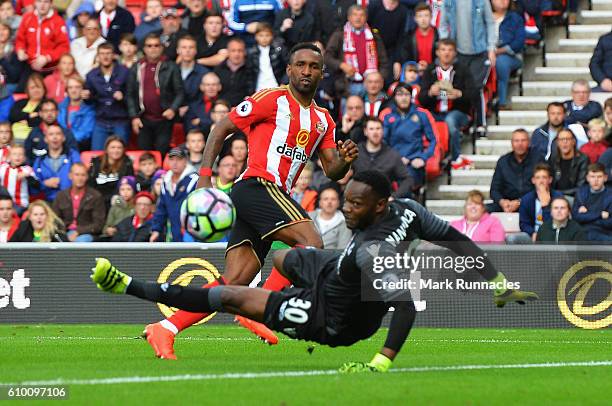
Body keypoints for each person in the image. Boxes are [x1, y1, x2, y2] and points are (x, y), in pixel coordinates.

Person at [93, 170, 538, 367]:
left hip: (332, 316)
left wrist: (381, 363)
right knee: (286, 253)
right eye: (346, 200)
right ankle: (264, 302)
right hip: (334, 269)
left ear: (379, 206)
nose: (345, 209)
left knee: (230, 295)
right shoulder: (409, 210)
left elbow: (404, 307)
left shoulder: (375, 251)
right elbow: (456, 241)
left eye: (354, 204)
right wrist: (498, 282)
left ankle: (133, 288)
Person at [141, 43, 359, 360]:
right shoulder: (271, 99)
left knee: (233, 282)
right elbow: (220, 129)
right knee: (311, 243)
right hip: (256, 185)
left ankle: (165, 328)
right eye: (300, 64)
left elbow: (332, 169)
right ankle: (261, 306)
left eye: (313, 66)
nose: (306, 71)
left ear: (322, 73)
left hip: (273, 197)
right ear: (289, 69)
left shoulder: (323, 119)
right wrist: (204, 180)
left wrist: (345, 161)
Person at [440, 0, 496, 134]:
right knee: (460, 88)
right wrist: (446, 44)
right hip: (458, 53)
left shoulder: (482, 1)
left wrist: (491, 48)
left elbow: (490, 23)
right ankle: (466, 120)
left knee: (477, 86)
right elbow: (443, 24)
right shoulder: (448, 2)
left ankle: (480, 123)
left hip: (479, 52)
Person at [417, 39, 475, 167]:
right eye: (443, 50)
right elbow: (422, 98)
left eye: (450, 50)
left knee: (450, 121)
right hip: (435, 112)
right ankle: (429, 158)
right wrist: (431, 93)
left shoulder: (463, 70)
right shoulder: (430, 71)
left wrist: (460, 95)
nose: (446, 53)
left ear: (455, 53)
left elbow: (473, 95)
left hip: (458, 112)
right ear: (437, 52)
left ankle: (455, 157)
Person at [127, 32, 184, 157]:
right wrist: (134, 117)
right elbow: (130, 94)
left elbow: (180, 92)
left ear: (162, 48)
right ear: (144, 49)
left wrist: (172, 109)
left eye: (156, 45)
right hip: (143, 119)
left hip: (164, 119)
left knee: (161, 153)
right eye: (149, 46)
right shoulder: (137, 67)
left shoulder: (171, 67)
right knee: (145, 154)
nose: (153, 49)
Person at [325, 5, 391, 96]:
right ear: (349, 17)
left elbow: (384, 61)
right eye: (355, 15)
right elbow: (327, 57)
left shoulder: (374, 36)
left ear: (366, 18)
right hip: (347, 85)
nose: (358, 18)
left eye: (361, 15)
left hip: (371, 86)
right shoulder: (339, 35)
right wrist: (341, 65)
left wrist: (379, 78)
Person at [383, 83, 436, 187]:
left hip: (414, 163)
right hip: (394, 162)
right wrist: (396, 158)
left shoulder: (421, 115)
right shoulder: (388, 117)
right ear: (394, 97)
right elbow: (384, 142)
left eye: (407, 94)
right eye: (400, 94)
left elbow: (432, 141)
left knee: (407, 179)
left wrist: (422, 158)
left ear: (411, 97)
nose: (403, 98)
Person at [353, 116, 414, 198]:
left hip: (383, 201)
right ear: (365, 132)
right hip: (358, 198)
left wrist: (394, 196)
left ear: (383, 131)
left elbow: (408, 179)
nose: (375, 132)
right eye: (371, 129)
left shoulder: (392, 154)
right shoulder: (355, 152)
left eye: (378, 128)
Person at [84, 42, 131, 150]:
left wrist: (123, 97)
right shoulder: (91, 75)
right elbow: (90, 101)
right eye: (102, 54)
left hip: (120, 120)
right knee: (96, 155)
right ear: (98, 56)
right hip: (101, 120)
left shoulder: (125, 72)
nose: (105, 56)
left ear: (114, 55)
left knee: (120, 153)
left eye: (108, 53)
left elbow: (133, 97)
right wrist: (86, 96)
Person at [489, 129, 545, 212]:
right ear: (511, 143)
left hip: (531, 203)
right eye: (516, 141)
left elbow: (543, 186)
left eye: (523, 140)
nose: (520, 144)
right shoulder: (503, 161)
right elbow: (494, 190)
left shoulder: (538, 159)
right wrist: (502, 202)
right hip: (507, 204)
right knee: (483, 209)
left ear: (529, 142)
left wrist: (520, 202)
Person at [150, 147, 198, 242]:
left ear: (185, 161)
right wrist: (156, 229)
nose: (175, 163)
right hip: (175, 232)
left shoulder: (194, 180)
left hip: (193, 232)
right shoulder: (165, 181)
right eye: (171, 159)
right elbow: (161, 209)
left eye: (179, 159)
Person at [510, 163, 563, 244]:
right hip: (533, 234)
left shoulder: (558, 197)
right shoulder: (526, 199)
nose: (541, 181)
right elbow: (523, 223)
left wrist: (545, 205)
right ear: (533, 180)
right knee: (512, 238)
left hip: (553, 233)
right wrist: (533, 233)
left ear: (550, 180)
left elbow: (558, 221)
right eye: (538, 178)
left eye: (544, 177)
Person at [52, 163, 106, 242]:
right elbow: (54, 219)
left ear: (87, 177)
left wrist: (78, 231)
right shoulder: (61, 195)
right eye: (77, 175)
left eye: (83, 175)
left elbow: (98, 224)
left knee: (81, 241)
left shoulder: (95, 196)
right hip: (64, 232)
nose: (80, 178)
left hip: (87, 233)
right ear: (70, 176)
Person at [14, 0, 69, 73]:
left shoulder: (58, 21)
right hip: (29, 66)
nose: (42, 5)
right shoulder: (27, 18)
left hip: (51, 68)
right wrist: (20, 50)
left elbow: (64, 47)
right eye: (39, 1)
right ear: (35, 2)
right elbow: (20, 39)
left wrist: (47, 58)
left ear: (51, 4)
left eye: (46, 2)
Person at [32, 124, 81, 202]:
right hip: (47, 202)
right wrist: (44, 184)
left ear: (63, 138)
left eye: (58, 134)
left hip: (70, 201)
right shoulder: (39, 161)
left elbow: (80, 177)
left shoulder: (73, 156)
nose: (55, 137)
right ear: (46, 139)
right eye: (51, 134)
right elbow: (33, 188)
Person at [491, 0, 524, 110]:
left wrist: (500, 51)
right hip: (486, 53)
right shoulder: (483, 17)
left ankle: (502, 102)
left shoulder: (516, 18)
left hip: (510, 55)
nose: (503, 1)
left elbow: (519, 42)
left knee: (501, 62)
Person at [24, 98, 78, 164]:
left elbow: (74, 155)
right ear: (40, 113)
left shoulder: (66, 133)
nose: (49, 113)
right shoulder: (34, 132)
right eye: (46, 111)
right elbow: (26, 154)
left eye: (52, 110)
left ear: (57, 112)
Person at [88, 136, 134, 209]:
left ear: (123, 150)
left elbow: (128, 184)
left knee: (118, 203)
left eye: (119, 148)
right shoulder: (95, 162)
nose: (116, 150)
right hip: (97, 198)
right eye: (113, 147)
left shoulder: (127, 163)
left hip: (117, 199)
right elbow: (90, 182)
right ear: (106, 149)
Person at [396, 3, 438, 78]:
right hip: (414, 73)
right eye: (420, 16)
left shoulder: (438, 35)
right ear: (415, 18)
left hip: (434, 73)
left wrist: (428, 67)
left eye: (426, 15)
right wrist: (416, 66)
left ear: (431, 17)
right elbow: (405, 56)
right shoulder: (409, 36)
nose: (423, 19)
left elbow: (441, 58)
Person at [571, 163, 612, 242]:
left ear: (605, 178)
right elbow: (576, 217)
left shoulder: (611, 194)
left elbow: (610, 222)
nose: (596, 180)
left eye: (599, 176)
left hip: (605, 234)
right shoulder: (580, 193)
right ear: (587, 178)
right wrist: (599, 214)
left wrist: (587, 215)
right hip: (583, 233)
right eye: (592, 176)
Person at [308, 183, 352, 249]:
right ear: (320, 203)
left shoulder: (345, 223)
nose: (329, 202)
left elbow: (342, 250)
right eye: (326, 199)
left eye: (333, 199)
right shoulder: (308, 217)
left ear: (338, 203)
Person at [213, 37, 254, 107]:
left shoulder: (252, 69)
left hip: (244, 109)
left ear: (244, 52)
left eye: (240, 51)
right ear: (228, 52)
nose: (236, 54)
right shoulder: (219, 69)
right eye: (233, 51)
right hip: (222, 109)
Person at [548, 128, 588, 198]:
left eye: (568, 139)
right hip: (554, 196)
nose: (564, 142)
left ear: (573, 142)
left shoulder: (582, 159)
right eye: (561, 139)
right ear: (557, 142)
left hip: (574, 197)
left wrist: (559, 195)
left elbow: (581, 186)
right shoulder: (552, 158)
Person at [58, 76, 96, 151]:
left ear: (83, 89)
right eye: (70, 87)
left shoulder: (89, 108)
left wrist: (66, 139)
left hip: (81, 147)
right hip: (61, 145)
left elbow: (86, 132)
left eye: (77, 87)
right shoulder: (60, 107)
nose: (73, 90)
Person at [248, 23, 287, 92]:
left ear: (272, 36)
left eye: (267, 35)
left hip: (277, 87)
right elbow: (249, 75)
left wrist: (284, 82)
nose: (264, 38)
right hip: (259, 89)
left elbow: (288, 66)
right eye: (261, 35)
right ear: (256, 36)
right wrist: (249, 91)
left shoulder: (279, 49)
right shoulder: (251, 52)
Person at [0, 144, 37, 214]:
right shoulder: (3, 167)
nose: (17, 157)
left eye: (20, 154)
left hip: (21, 204)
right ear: (9, 157)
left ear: (24, 158)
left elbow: (36, 185)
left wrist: (27, 177)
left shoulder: (27, 169)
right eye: (14, 154)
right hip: (3, 204)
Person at [9, 73, 45, 143]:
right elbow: (12, 116)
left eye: (38, 87)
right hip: (12, 137)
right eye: (32, 88)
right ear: (27, 90)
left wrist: (22, 118)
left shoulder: (45, 105)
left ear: (44, 89)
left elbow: (37, 122)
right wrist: (29, 115)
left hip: (30, 139)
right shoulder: (20, 102)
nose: (35, 90)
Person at [101, 175, 137, 240]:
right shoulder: (115, 207)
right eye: (122, 189)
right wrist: (108, 230)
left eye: (129, 189)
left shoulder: (137, 206)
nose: (125, 192)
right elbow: (107, 226)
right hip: (114, 237)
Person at [176, 35, 208, 108]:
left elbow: (203, 100)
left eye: (191, 47)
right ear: (177, 50)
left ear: (196, 50)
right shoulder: (170, 71)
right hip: (173, 113)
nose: (188, 51)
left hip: (195, 115)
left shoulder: (204, 73)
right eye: (184, 47)